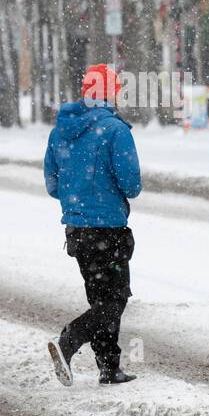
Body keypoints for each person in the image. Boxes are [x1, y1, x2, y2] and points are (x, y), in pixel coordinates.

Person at [45, 64, 142, 386]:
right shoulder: (115, 130)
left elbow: (53, 184)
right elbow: (131, 185)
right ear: (111, 92)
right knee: (115, 301)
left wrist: (78, 197)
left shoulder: (60, 130)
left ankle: (109, 367)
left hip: (77, 230)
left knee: (100, 299)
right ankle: (68, 341)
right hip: (109, 229)